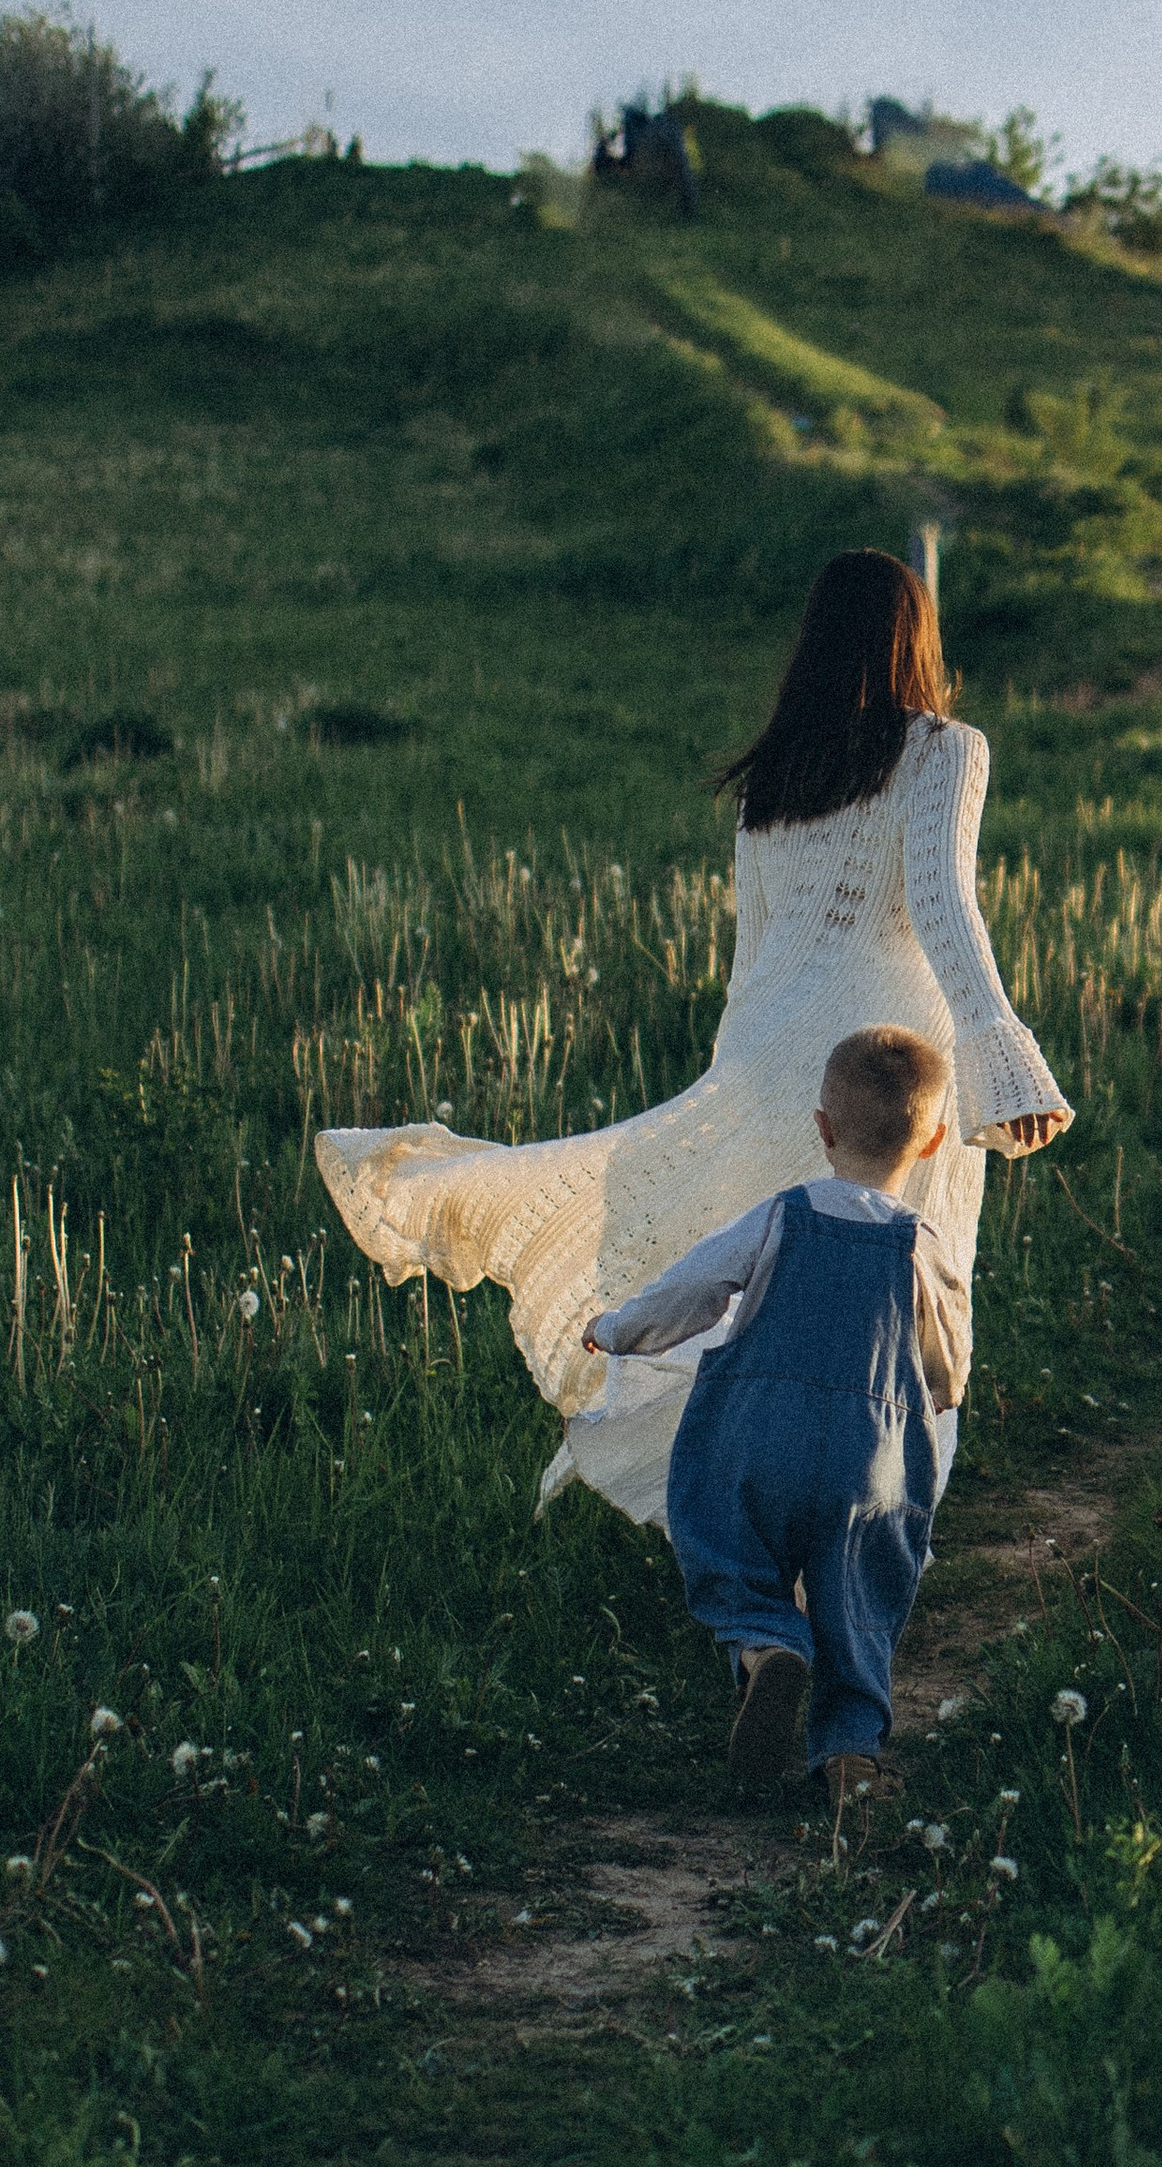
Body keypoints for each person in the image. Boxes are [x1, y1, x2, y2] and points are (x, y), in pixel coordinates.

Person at [315, 550, 1069, 1528]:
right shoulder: (943, 749)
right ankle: (871, 1517)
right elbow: (942, 908)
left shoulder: (773, 781)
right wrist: (1001, 1057)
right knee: (904, 1275)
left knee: (748, 1290)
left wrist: (730, 1093)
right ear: (912, 639)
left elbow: (750, 962)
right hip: (892, 1056)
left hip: (775, 1058)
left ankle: (748, 1506)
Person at [584, 1026, 962, 1805]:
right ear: (933, 1145)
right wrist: (938, 1388)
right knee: (859, 1594)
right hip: (872, 1460)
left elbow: (693, 1289)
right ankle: (850, 1752)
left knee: (728, 1546)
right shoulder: (921, 1246)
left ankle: (764, 1645)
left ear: (821, 1128)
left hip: (756, 1437)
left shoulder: (780, 1217)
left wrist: (619, 1329)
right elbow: (946, 1360)